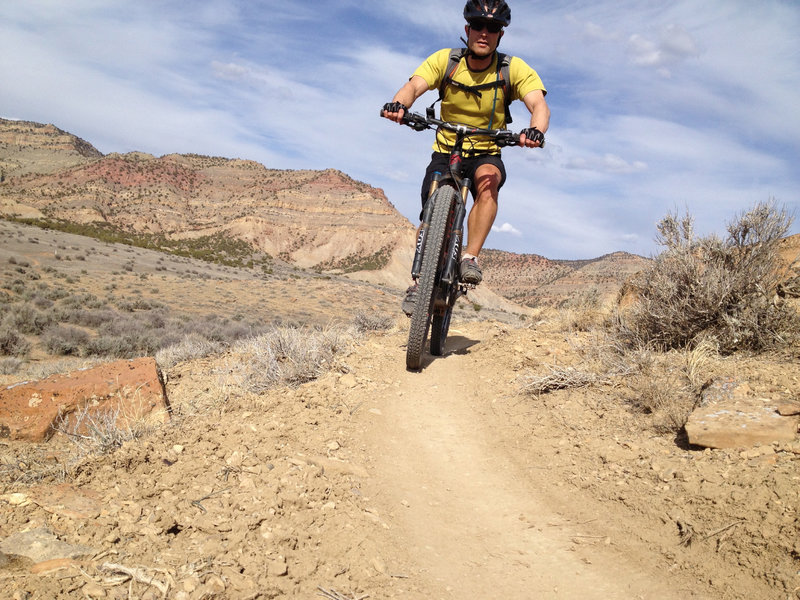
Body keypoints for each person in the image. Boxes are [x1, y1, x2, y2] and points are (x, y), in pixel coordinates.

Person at [382, 0, 550, 316]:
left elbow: (538, 104)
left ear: (500, 35)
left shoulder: (511, 69)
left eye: (493, 28)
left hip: (487, 149)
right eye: (478, 25)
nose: (484, 33)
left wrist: (535, 130)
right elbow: (414, 86)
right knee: (429, 211)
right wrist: (398, 106)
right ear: (467, 29)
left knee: (489, 182)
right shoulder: (446, 61)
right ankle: (419, 283)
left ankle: (470, 257)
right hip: (448, 149)